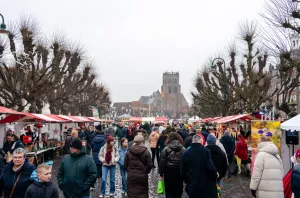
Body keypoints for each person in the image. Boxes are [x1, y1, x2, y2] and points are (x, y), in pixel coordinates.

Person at [159, 132, 186, 198]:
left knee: (168, 189)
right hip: (179, 172)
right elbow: (185, 162)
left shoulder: (166, 149)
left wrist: (161, 174)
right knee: (178, 189)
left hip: (168, 172)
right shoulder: (183, 149)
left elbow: (162, 163)